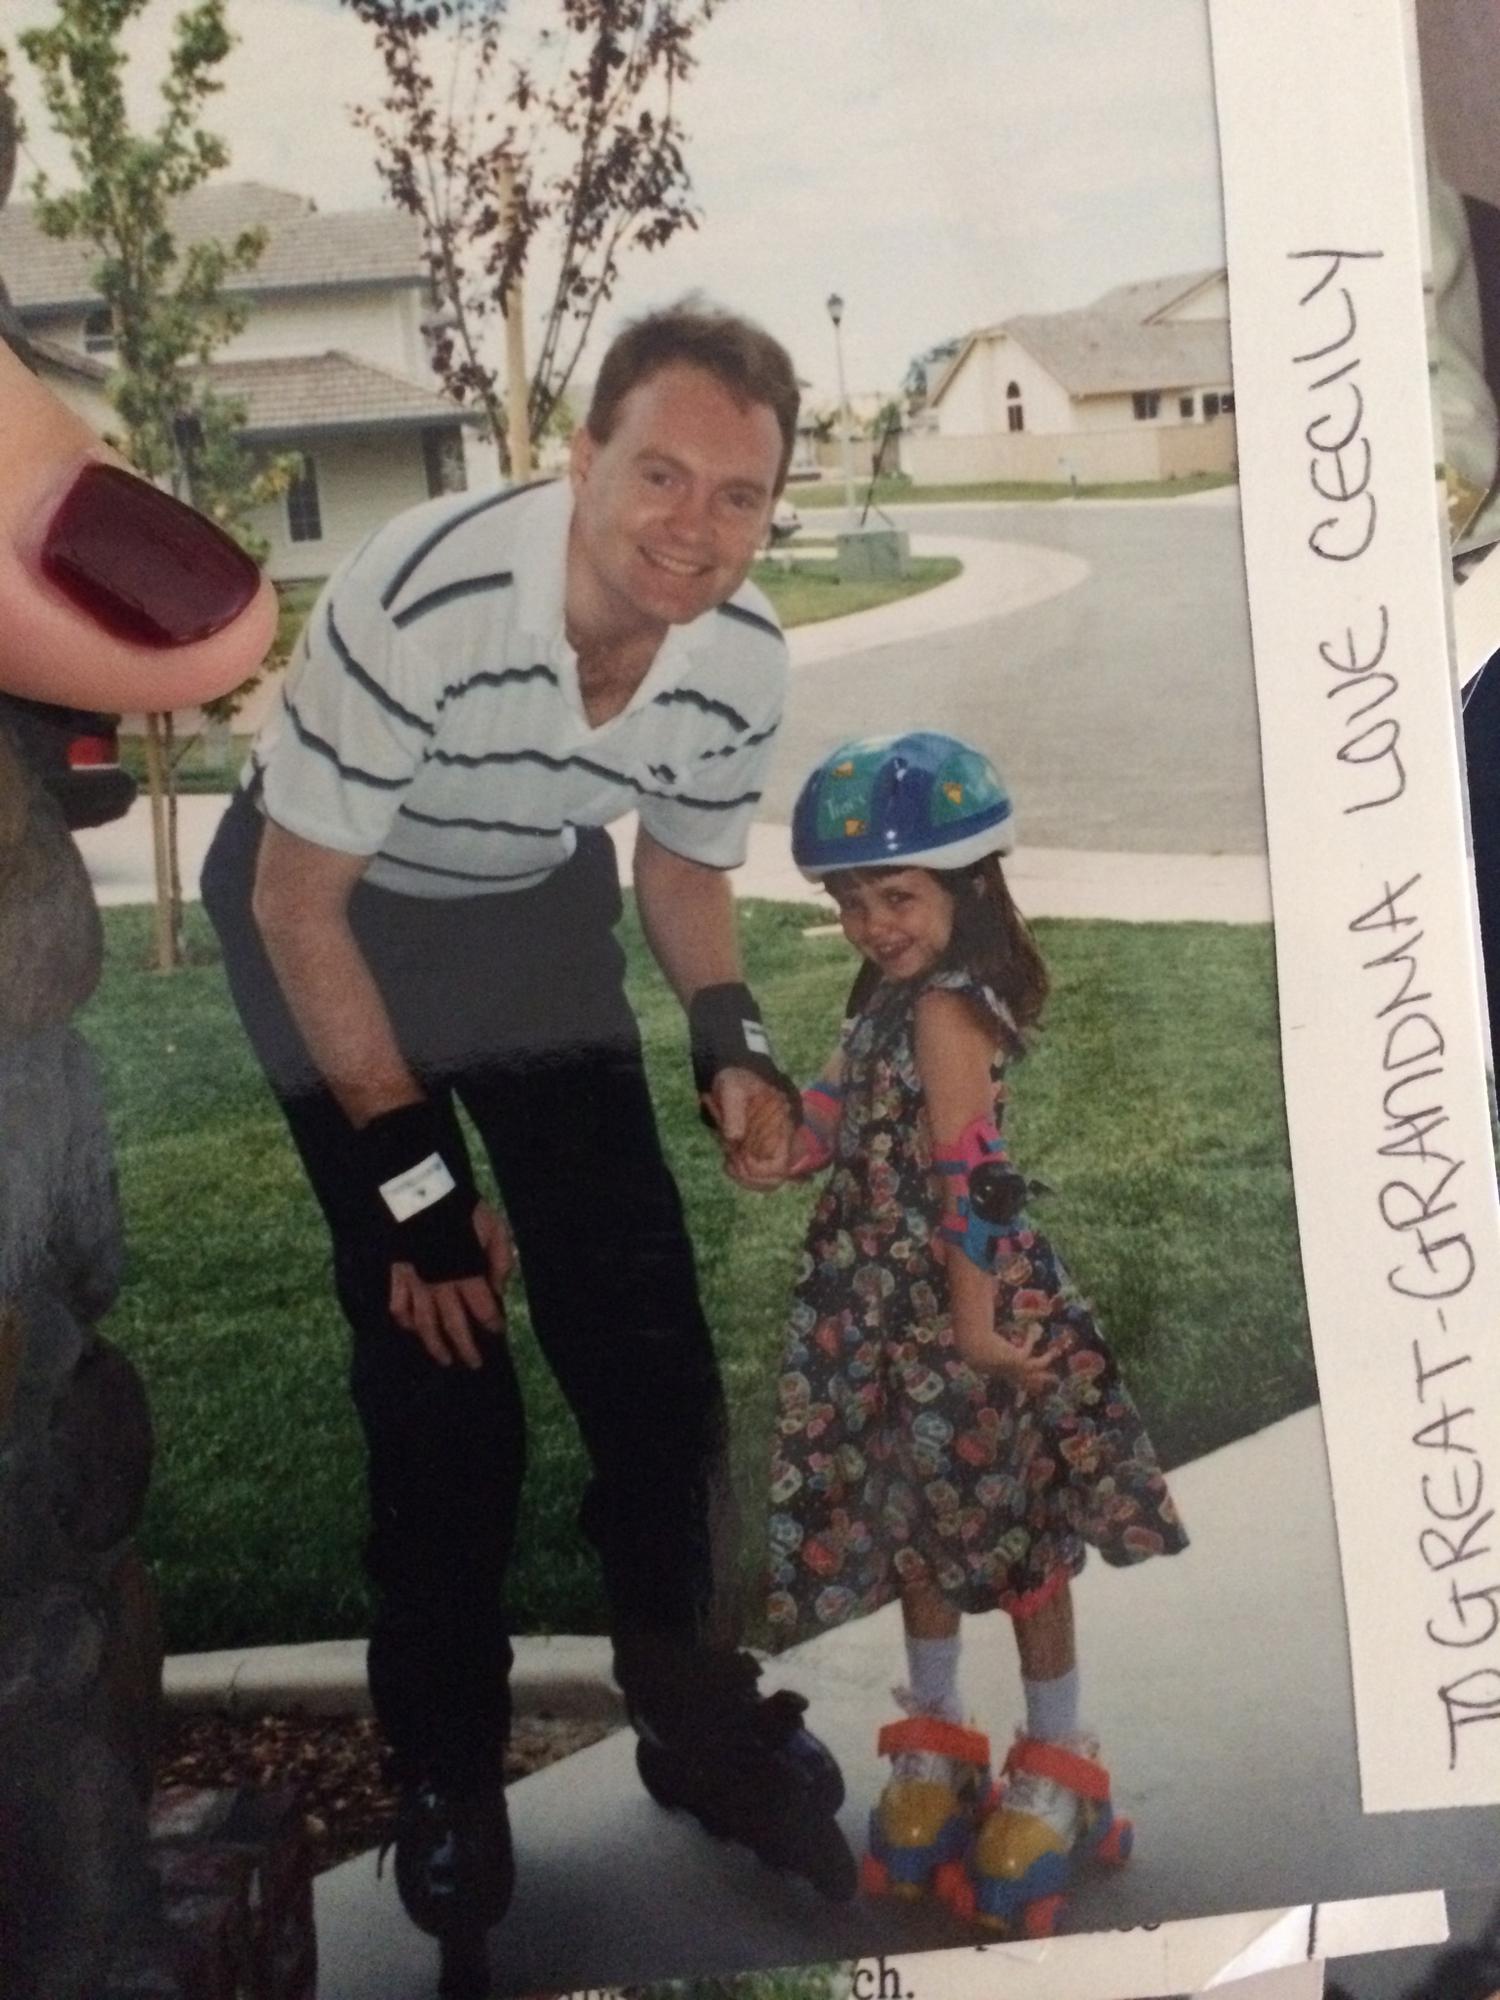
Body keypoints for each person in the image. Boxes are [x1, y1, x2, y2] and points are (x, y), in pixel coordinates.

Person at [195, 302, 854, 1987]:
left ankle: (693, 1718)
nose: (693, 527)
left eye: (739, 495)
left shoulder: (740, 652)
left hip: (524, 914)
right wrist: (418, 1196)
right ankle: (444, 1769)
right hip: (327, 913)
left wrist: (734, 1043)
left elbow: (681, 871)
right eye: (659, 474)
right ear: (580, 459)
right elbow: (296, 906)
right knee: (441, 1360)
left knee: (652, 1353)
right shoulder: (427, 596)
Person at [766, 730, 1188, 1937]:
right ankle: (936, 1743)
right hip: (884, 1309)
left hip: (968, 1307)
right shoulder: (885, 996)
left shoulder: (952, 1009)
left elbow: (973, 1180)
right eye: (852, 901)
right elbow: (826, 1123)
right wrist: (772, 1138)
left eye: (896, 895)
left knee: (1015, 1535)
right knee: (917, 1523)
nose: (872, 923)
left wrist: (976, 1328)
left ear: (968, 886)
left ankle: (1058, 1760)